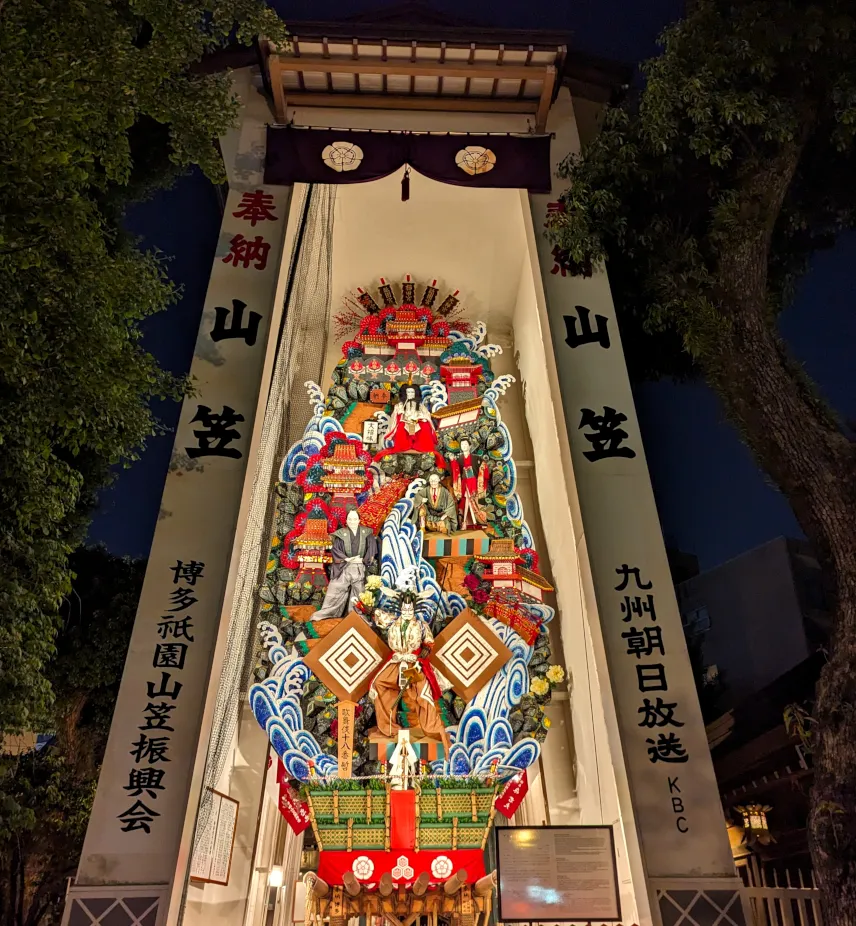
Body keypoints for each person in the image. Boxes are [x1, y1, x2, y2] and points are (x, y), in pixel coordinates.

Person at [368, 590, 451, 742]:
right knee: (380, 684)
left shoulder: (421, 624)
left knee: (423, 694)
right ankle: (389, 727)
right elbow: (378, 615)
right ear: (400, 608)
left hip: (414, 663)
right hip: (397, 661)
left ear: (414, 609)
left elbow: (429, 643)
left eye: (410, 609)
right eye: (405, 609)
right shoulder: (393, 621)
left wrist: (422, 657)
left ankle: (432, 727)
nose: (407, 612)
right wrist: (364, 606)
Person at [313, 508, 377, 619]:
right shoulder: (341, 534)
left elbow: (372, 548)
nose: (352, 521)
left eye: (355, 519)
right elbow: (336, 550)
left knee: (359, 594)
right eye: (350, 519)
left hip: (359, 568)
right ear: (346, 521)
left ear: (359, 520)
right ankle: (326, 615)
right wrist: (346, 559)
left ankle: (356, 617)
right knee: (335, 590)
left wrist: (363, 560)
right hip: (344, 567)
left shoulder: (367, 533)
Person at [377, 383, 438, 456]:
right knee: (401, 427)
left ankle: (421, 446)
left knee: (425, 426)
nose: (410, 394)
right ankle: (404, 446)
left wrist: (420, 418)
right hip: (405, 422)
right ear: (405, 393)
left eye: (412, 392)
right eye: (408, 392)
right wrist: (401, 413)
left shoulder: (420, 406)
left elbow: (427, 415)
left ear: (415, 393)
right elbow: (394, 418)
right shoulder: (399, 406)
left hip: (417, 422)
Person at [449, 438, 490, 530]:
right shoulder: (459, 459)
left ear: (470, 446)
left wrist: (482, 470)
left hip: (474, 482)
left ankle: (480, 522)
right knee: (464, 502)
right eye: (462, 445)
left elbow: (483, 467)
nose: (464, 446)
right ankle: (465, 524)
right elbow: (456, 470)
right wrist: (453, 461)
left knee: (475, 501)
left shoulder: (476, 458)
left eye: (465, 444)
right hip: (464, 483)